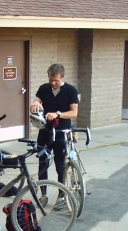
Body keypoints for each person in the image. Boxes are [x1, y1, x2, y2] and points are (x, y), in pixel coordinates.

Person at [30, 63, 79, 208]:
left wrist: (57, 114)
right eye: (51, 79)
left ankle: (61, 197)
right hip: (45, 131)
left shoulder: (70, 90)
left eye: (56, 80)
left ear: (62, 78)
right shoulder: (44, 88)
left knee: (60, 166)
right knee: (43, 163)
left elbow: (74, 112)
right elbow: (38, 99)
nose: (53, 83)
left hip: (61, 132)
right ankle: (43, 195)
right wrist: (35, 103)